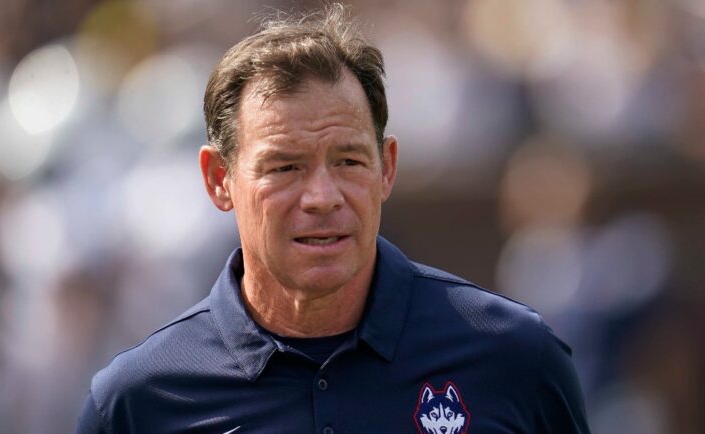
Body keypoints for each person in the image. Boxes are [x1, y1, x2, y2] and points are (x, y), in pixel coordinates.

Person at [77, 4, 591, 433]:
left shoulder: (516, 358)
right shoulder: (138, 401)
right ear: (218, 180)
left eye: (348, 161)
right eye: (285, 167)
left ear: (386, 168)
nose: (322, 197)